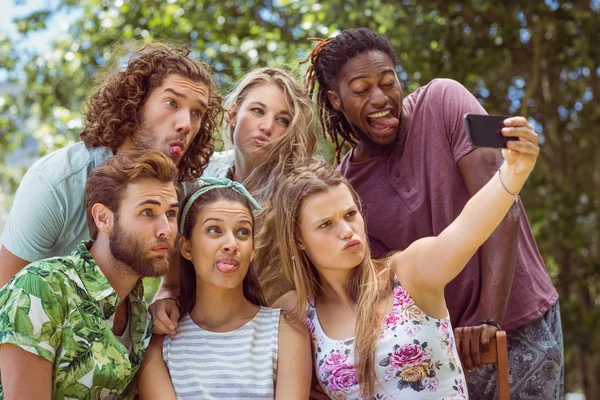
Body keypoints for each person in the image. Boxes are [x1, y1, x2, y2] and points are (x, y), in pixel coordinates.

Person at [301, 28, 563, 399]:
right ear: (335, 99)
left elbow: (503, 206)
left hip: (518, 319)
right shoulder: (347, 186)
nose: (380, 98)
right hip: (442, 346)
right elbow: (374, 284)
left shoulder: (444, 99)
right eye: (360, 90)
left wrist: (488, 319)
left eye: (388, 82)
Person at [265, 128, 538, 398]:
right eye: (326, 224)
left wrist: (513, 175)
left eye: (350, 214)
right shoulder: (296, 311)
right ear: (298, 239)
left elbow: (465, 232)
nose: (347, 230)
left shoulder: (408, 273)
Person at [0, 42, 222, 288]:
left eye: (197, 113)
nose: (186, 124)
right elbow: (5, 299)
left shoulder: (182, 191)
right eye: (171, 103)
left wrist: (167, 295)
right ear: (135, 104)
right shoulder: (56, 183)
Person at [0, 149, 180, 399]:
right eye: (147, 212)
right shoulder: (41, 287)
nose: (166, 229)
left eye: (171, 214)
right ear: (103, 218)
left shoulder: (141, 317)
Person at [150, 67, 317, 334]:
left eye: (283, 120)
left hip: (275, 328)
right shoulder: (200, 176)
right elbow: (173, 280)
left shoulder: (298, 191)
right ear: (233, 113)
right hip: (196, 322)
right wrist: (164, 300)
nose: (267, 126)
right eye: (258, 111)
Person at [136, 178, 311, 399]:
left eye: (242, 232)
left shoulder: (285, 331)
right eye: (214, 230)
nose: (231, 244)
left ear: (253, 250)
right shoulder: (160, 342)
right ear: (186, 248)